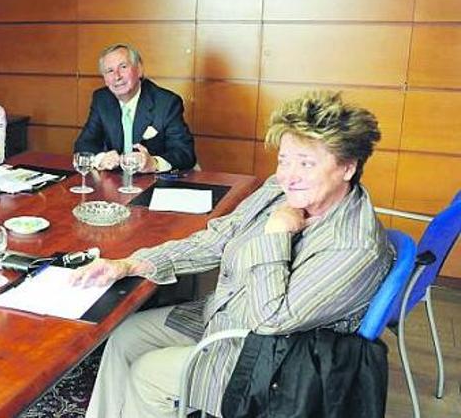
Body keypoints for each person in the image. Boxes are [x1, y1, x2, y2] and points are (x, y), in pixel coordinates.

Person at [72, 91, 393, 418]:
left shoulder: (354, 246)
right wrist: (129, 263)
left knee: (148, 376)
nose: (288, 175)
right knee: (124, 336)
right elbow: (218, 239)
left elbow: (270, 319)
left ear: (348, 168)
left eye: (306, 163)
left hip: (270, 361)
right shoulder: (278, 190)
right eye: (284, 159)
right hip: (223, 316)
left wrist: (277, 233)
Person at [74, 43, 196, 173]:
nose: (117, 76)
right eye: (110, 71)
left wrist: (154, 163)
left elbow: (185, 153)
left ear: (139, 70)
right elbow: (83, 144)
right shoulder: (102, 99)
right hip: (113, 183)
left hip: (152, 182)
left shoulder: (166, 103)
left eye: (123, 67)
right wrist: (101, 159)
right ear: (105, 79)